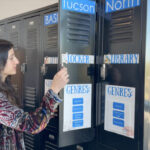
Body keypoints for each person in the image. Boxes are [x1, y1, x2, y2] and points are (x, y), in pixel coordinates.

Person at [0, 39, 69, 150]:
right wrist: (54, 90)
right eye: (11, 57)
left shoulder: (6, 87)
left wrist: (46, 111)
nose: (17, 61)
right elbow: (31, 125)